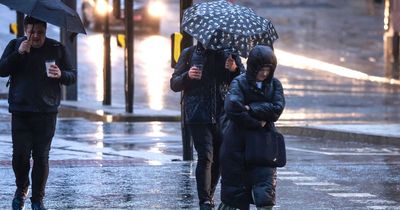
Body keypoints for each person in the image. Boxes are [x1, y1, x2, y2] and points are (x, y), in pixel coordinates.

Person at [0, 16, 76, 210]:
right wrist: (18, 54)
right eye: (32, 32)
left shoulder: (56, 48)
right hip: (21, 109)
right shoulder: (15, 45)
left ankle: (37, 200)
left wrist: (61, 74)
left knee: (41, 156)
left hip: (46, 111)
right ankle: (21, 188)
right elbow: (2, 70)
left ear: (45, 31)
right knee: (20, 156)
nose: (36, 36)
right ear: (25, 30)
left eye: (40, 33)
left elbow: (71, 75)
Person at [170, 42, 244, 210]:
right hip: (198, 114)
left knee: (218, 158)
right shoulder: (190, 53)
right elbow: (174, 83)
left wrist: (234, 70)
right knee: (206, 156)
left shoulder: (230, 54)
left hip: (223, 115)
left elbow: (244, 81)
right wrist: (187, 76)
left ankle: (208, 196)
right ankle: (204, 201)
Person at [218, 45, 285, 210]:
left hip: (264, 146)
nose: (264, 73)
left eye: (268, 70)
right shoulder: (239, 82)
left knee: (265, 194)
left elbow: (277, 108)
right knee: (234, 196)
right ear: (253, 67)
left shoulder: (275, 85)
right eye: (261, 69)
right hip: (237, 145)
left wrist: (251, 107)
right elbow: (233, 107)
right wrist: (257, 121)